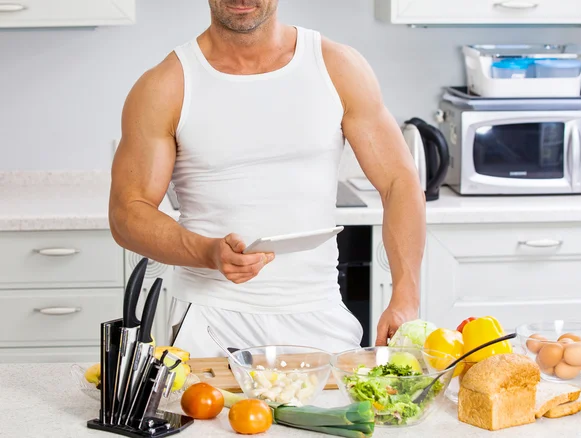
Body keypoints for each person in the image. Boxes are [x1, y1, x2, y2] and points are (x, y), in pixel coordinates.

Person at [108, 0, 426, 358]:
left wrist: (405, 296)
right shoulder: (166, 84)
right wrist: (207, 252)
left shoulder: (337, 67)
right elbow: (126, 213)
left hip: (318, 314)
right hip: (209, 319)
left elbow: (399, 181)